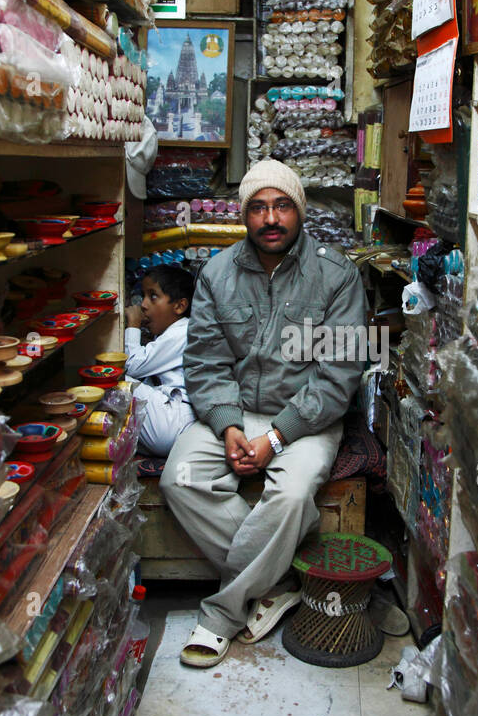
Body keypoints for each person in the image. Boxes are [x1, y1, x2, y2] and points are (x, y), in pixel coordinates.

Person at [160, 159, 367, 668]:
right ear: (243, 216)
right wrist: (229, 425)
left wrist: (275, 439)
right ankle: (280, 580)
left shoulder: (337, 275)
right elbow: (205, 362)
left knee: (293, 494)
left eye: (281, 205)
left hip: (306, 419)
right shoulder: (216, 274)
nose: (270, 218)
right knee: (177, 479)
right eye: (257, 208)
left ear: (298, 210)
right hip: (233, 411)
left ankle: (222, 615)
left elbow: (337, 377)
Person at [123, 264, 197, 457]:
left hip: (173, 420)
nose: (144, 305)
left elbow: (132, 365)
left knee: (112, 379)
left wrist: (133, 325)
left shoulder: (183, 330)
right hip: (170, 422)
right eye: (144, 296)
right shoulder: (172, 333)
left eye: (153, 296)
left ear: (180, 306)